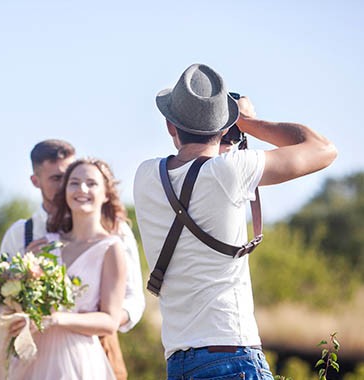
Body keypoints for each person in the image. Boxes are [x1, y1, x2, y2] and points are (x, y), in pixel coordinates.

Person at [133, 63, 337, 380]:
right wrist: (247, 121)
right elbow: (323, 149)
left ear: (170, 126)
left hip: (179, 360)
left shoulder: (146, 175)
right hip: (232, 355)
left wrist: (226, 134)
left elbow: (195, 172)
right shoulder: (230, 172)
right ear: (225, 126)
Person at [0, 139, 145, 379]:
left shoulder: (115, 235)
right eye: (61, 179)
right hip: (34, 351)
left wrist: (84, 319)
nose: (77, 188)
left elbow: (133, 300)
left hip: (93, 347)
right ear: (36, 182)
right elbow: (1, 293)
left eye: (84, 180)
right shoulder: (27, 234)